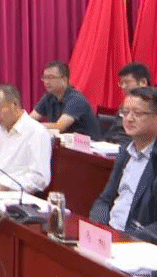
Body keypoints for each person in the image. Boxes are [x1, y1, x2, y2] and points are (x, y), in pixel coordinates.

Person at [89, 87, 157, 243]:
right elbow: (104, 200)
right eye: (125, 112)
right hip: (111, 236)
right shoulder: (126, 152)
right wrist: (99, 228)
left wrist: (126, 240)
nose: (129, 119)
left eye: (137, 113)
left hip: (138, 244)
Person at [0, 84, 51, 193]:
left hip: (12, 195)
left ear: (15, 104)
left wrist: (3, 185)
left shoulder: (37, 132)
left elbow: (39, 179)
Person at [29, 60, 100, 139]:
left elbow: (60, 126)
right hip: (65, 142)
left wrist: (34, 126)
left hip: (87, 144)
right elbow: (31, 119)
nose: (46, 82)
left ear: (64, 80)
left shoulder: (76, 99)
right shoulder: (49, 96)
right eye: (44, 77)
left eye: (51, 78)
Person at [103, 62, 151, 145]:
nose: (123, 86)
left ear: (143, 82)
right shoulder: (125, 104)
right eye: (122, 83)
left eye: (127, 82)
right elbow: (114, 132)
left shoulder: (152, 107)